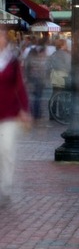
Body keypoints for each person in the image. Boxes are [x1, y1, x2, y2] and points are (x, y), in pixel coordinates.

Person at [0, 29, 32, 202]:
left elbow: (20, 86)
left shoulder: (12, 62)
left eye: (1, 36)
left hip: (9, 114)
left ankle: (5, 187)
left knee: (6, 151)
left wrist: (24, 109)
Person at [24, 38, 48, 120]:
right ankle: (36, 114)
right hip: (38, 78)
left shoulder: (32, 51)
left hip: (32, 77)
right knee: (38, 96)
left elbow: (27, 64)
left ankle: (34, 112)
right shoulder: (42, 52)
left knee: (33, 96)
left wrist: (27, 76)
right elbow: (44, 66)